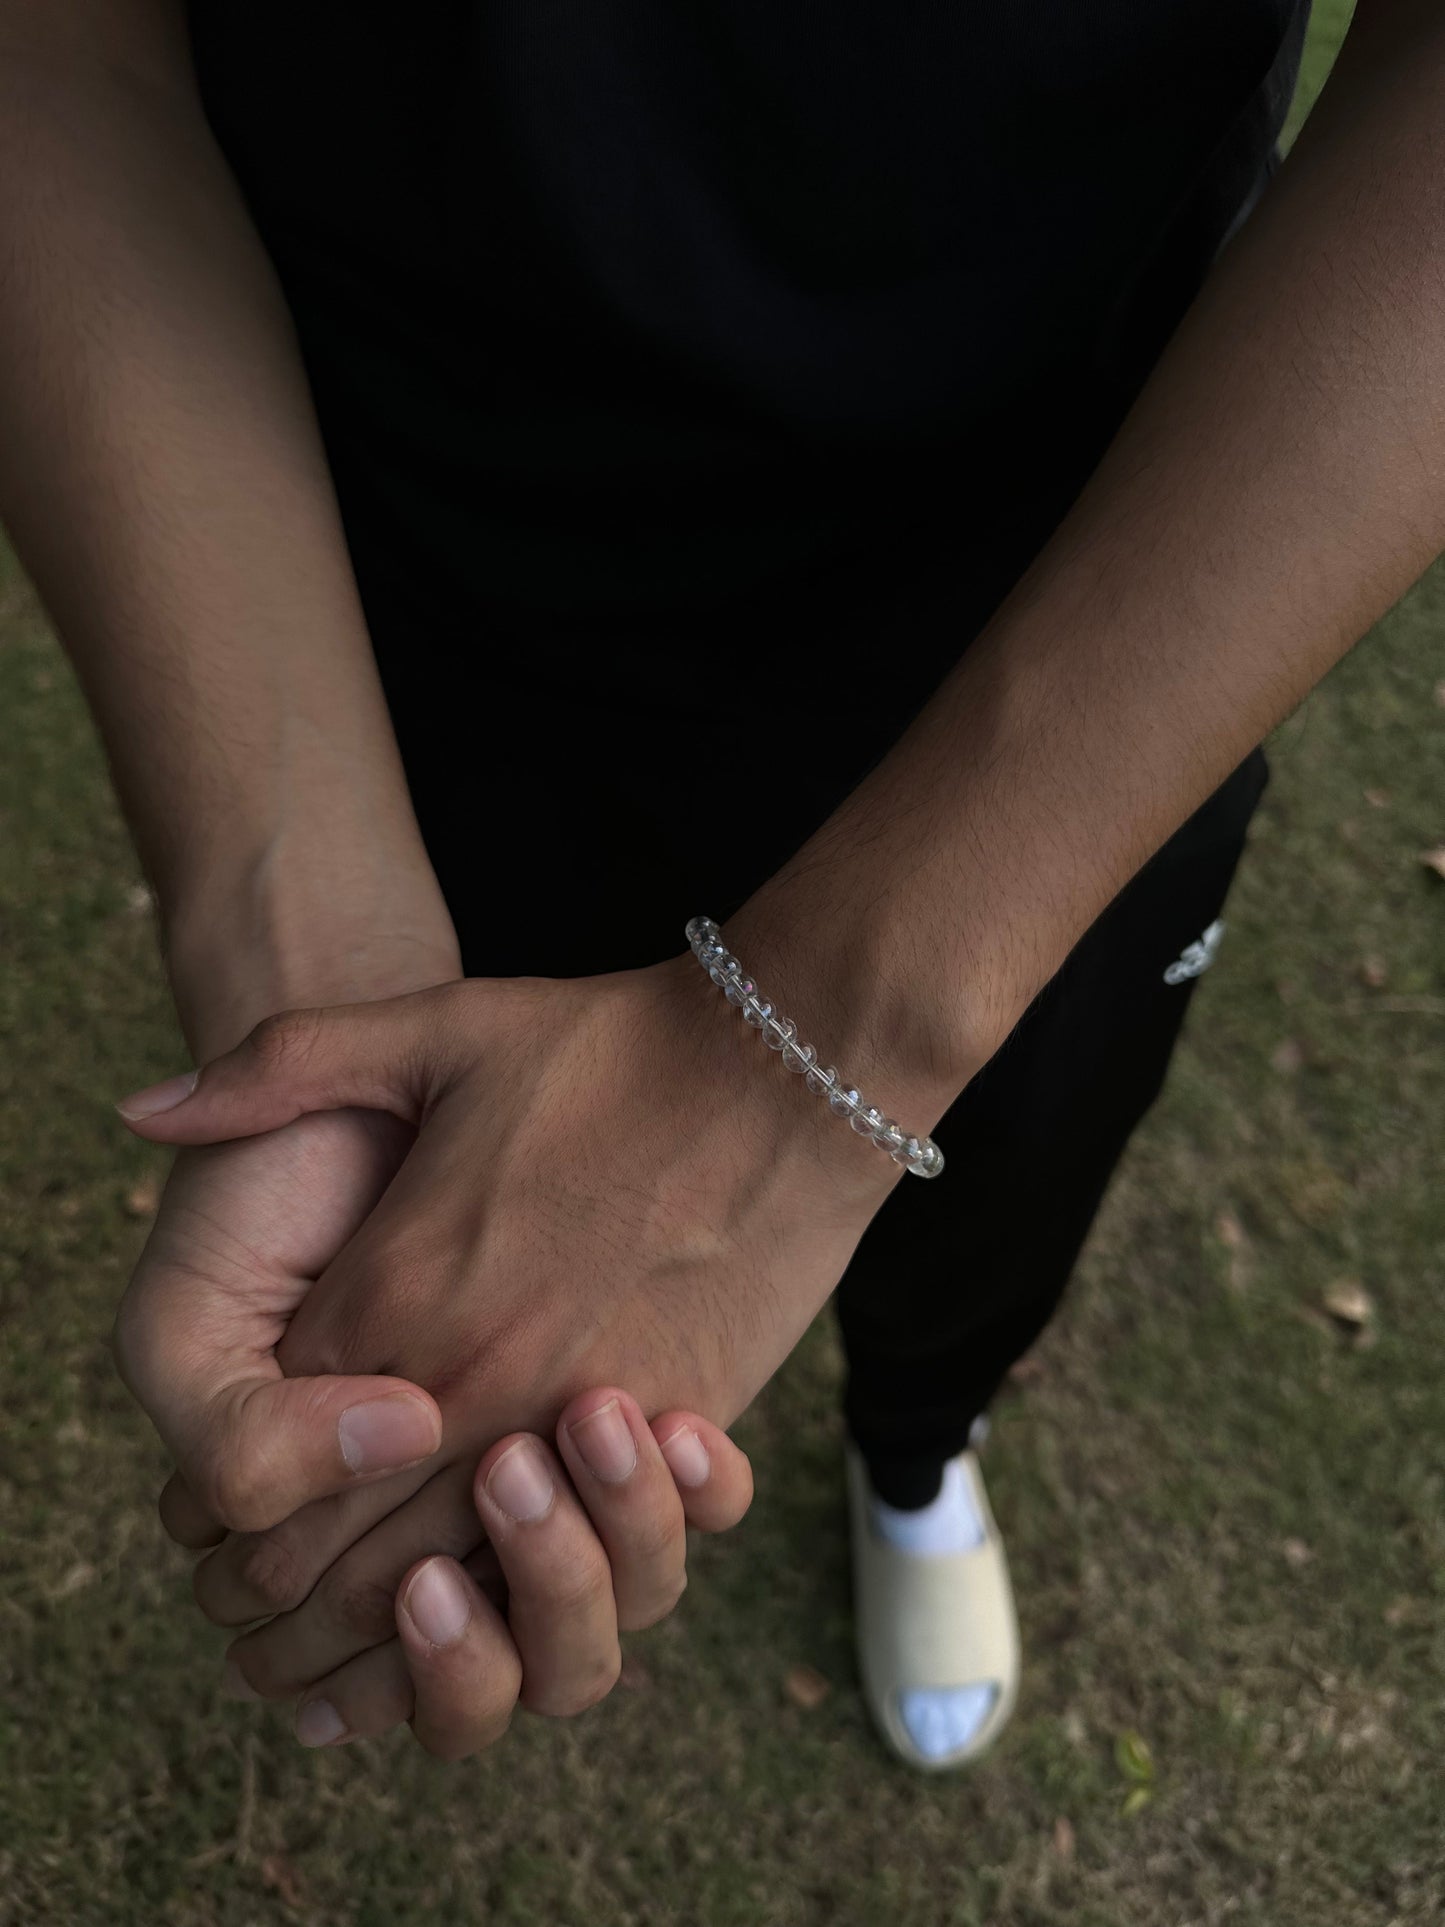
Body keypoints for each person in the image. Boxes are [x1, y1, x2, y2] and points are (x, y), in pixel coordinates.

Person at [3, 0, 1439, 1773]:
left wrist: (807, 1061)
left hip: (1103, 616)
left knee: (997, 1187)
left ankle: (916, 1448)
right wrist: (314, 975)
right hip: (381, 565)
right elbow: (56, 47)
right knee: (484, 1193)